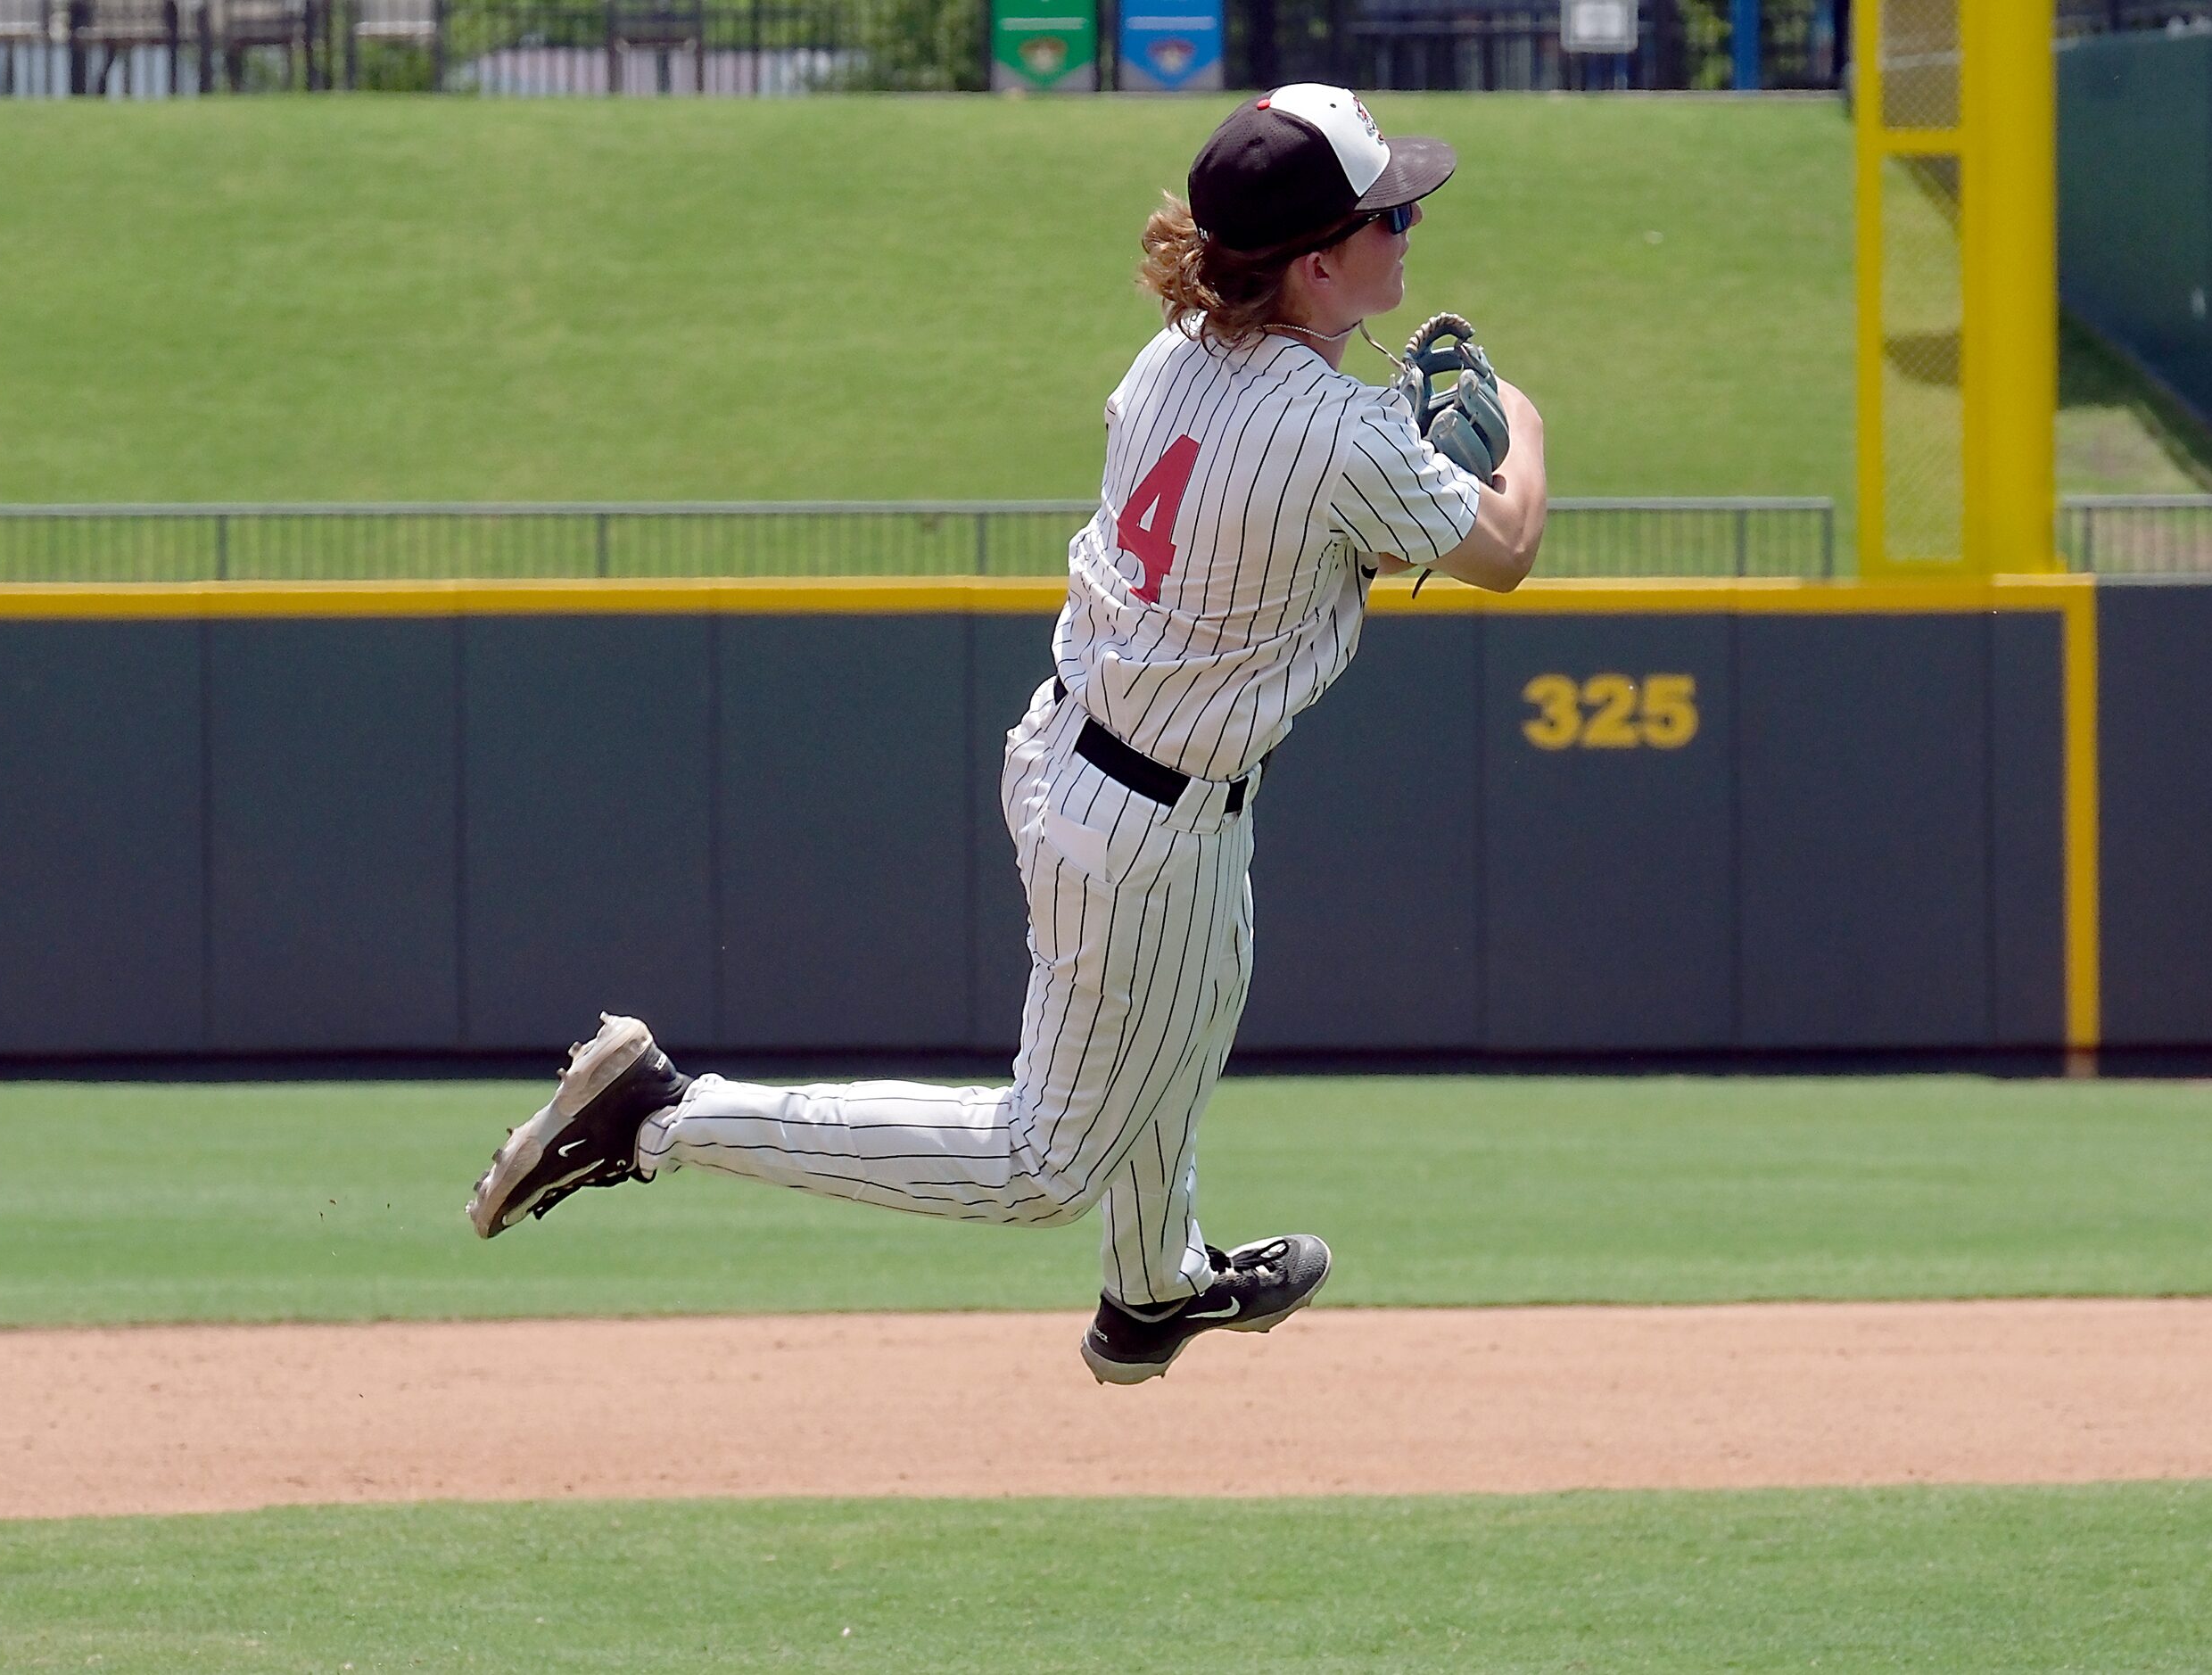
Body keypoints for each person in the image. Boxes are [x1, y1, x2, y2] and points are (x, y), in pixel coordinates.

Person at [468, 85, 1548, 1385]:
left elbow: (1305, 502)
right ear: (1317, 262)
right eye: (1393, 212)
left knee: (1188, 1004)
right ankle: (664, 1115)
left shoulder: (1179, 354)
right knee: (1042, 1162)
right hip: (1143, 811)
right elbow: (1506, 550)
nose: (1412, 225)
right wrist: (1523, 431)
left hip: (1095, 756)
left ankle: (1153, 1289)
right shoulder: (1334, 431)